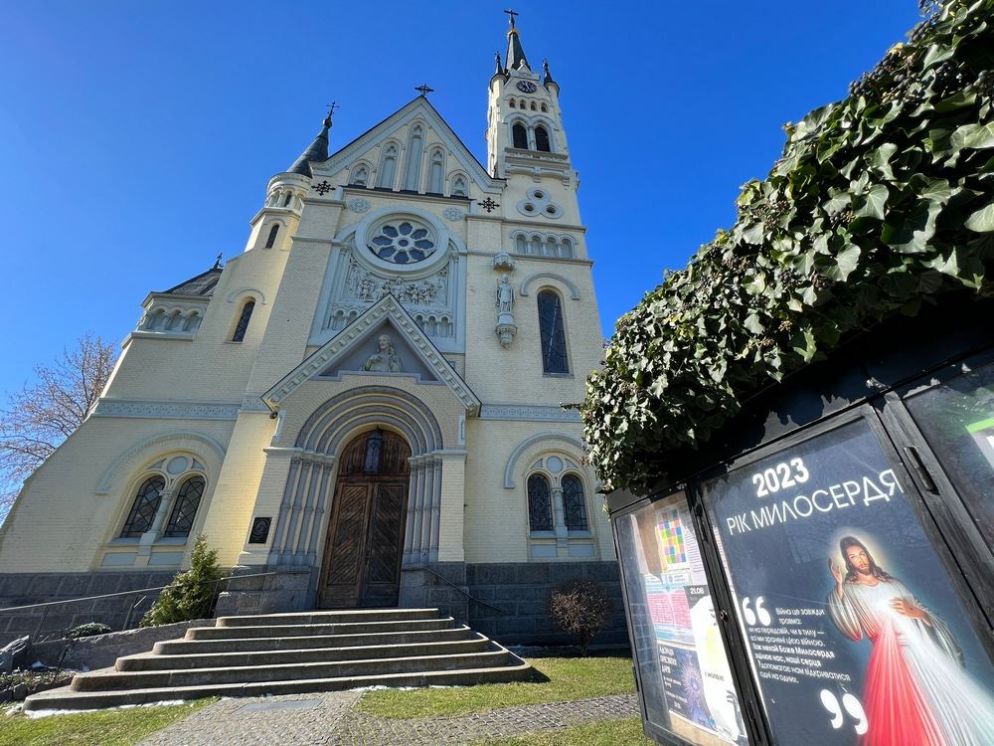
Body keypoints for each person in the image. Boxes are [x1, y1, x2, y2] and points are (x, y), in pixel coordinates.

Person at [827, 535, 994, 745]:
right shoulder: (850, 591)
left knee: (943, 703)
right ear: (848, 562)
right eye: (853, 557)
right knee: (914, 712)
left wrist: (917, 613)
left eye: (862, 554)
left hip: (921, 649)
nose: (860, 560)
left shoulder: (893, 583)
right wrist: (840, 586)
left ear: (868, 555)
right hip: (892, 659)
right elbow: (852, 631)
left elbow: (922, 611)